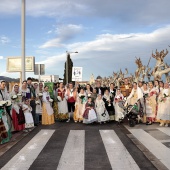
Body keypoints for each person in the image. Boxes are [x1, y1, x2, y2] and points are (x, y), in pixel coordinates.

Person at [0, 80, 12, 144]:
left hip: (3, 109)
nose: (4, 86)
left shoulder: (4, 92)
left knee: (5, 123)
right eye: (3, 84)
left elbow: (7, 98)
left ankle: (6, 137)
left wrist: (7, 102)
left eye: (5, 85)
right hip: (0, 110)